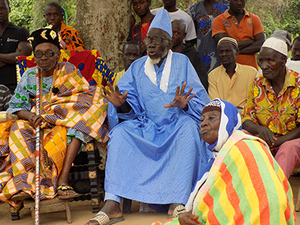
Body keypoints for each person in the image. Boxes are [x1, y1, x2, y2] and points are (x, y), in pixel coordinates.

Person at [86, 9, 211, 225]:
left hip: (176, 124)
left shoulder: (182, 63)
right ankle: (113, 202)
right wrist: (122, 105)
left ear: (169, 44)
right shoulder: (136, 67)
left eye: (157, 40)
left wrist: (186, 104)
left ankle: (176, 200)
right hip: (147, 127)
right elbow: (128, 103)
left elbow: (201, 101)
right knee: (120, 134)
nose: (151, 45)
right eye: (148, 40)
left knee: (189, 129)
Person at [0, 28, 109, 210]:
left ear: (58, 55)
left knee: (80, 123)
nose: (44, 58)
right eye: (39, 54)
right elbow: (16, 106)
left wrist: (53, 116)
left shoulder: (68, 70)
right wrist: (32, 116)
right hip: (35, 124)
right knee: (16, 128)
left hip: (62, 122)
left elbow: (82, 98)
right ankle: (25, 181)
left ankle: (62, 179)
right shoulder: (29, 76)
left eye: (49, 53)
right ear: (34, 56)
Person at [153, 99, 295, 225]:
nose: (204, 124)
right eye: (201, 120)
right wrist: (184, 216)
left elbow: (267, 200)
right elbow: (210, 206)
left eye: (212, 118)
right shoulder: (216, 159)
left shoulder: (246, 147)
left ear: (228, 121)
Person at [242, 37, 300, 179]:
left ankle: (274, 192)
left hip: (291, 141)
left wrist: (278, 142)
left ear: (283, 61)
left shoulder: (298, 84)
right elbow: (246, 118)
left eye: (270, 61)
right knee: (241, 138)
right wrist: (260, 130)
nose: (263, 65)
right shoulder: (257, 84)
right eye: (261, 60)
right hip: (263, 138)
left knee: (288, 149)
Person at [212, 0, 265, 70]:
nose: (239, 3)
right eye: (236, 0)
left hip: (251, 70)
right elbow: (223, 44)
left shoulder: (254, 19)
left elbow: (261, 44)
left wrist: (234, 51)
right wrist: (251, 41)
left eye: (242, 0)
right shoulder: (218, 20)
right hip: (228, 71)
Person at [208, 37, 256, 112]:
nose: (224, 54)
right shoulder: (213, 75)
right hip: (222, 115)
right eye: (221, 52)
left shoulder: (251, 72)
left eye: (227, 51)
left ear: (236, 51)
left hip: (245, 115)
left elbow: (253, 101)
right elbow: (215, 103)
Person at [0, 0, 32, 94]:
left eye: (3, 8)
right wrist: (12, 56)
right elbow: (16, 57)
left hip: (14, 85)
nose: (0, 11)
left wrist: (17, 57)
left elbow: (23, 56)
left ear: (9, 9)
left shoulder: (20, 32)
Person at [188, 0, 229, 73]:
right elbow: (191, 38)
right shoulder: (193, 10)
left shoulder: (228, 7)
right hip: (203, 58)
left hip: (225, 56)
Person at [171, 20, 207, 91]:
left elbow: (202, 80)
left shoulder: (192, 55)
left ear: (184, 35)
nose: (172, 36)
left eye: (176, 33)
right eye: (170, 32)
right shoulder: (164, 54)